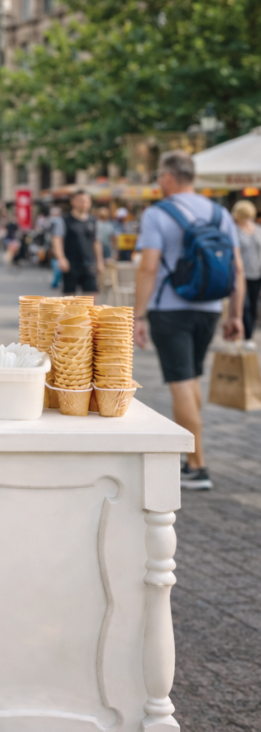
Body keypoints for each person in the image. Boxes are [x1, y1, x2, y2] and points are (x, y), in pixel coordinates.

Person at [134, 150, 245, 491]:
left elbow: (149, 267)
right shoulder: (220, 213)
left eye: (158, 177)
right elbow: (237, 268)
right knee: (192, 378)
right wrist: (236, 314)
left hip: (171, 308)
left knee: (180, 383)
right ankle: (190, 455)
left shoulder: (157, 214)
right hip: (210, 308)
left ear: (168, 177)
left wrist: (138, 314)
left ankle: (198, 466)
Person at [51, 190, 103, 296]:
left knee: (91, 297)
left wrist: (100, 261)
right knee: (69, 299)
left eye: (87, 201)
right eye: (81, 200)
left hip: (89, 263)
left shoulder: (93, 221)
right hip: (71, 264)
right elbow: (57, 240)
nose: (84, 203)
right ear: (73, 201)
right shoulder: (63, 220)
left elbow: (96, 242)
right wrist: (61, 259)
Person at [233, 200, 261, 344]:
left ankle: (247, 336)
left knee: (254, 306)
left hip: (256, 273)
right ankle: (246, 336)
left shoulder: (257, 229)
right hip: (240, 274)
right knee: (244, 305)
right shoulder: (234, 230)